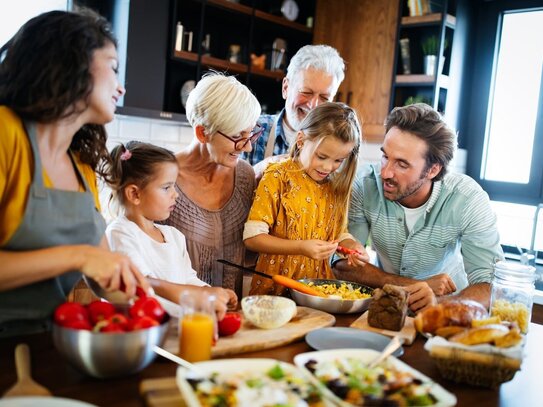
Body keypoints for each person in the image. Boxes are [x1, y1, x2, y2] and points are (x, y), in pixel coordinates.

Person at [0, 9, 150, 337]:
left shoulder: (80, 164)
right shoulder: (4, 131)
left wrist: (163, 297)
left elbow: (104, 279)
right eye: (112, 67)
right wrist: (78, 256)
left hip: (42, 344)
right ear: (72, 62)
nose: (121, 88)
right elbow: (84, 258)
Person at [334, 103, 505, 312]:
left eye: (402, 164)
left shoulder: (468, 200)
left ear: (433, 170)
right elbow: (342, 264)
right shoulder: (364, 185)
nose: (385, 173)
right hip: (386, 307)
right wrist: (408, 287)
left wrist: (438, 303)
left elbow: (493, 286)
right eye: (385, 156)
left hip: (447, 312)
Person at [244, 102, 369, 296]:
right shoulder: (278, 176)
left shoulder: (336, 187)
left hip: (317, 291)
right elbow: (252, 238)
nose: (328, 167)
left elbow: (339, 235)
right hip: (273, 290)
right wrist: (301, 247)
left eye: (338, 161)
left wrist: (352, 247)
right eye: (322, 156)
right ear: (301, 140)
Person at [105, 141, 238, 318]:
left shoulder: (174, 236)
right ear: (134, 194)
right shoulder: (120, 232)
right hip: (139, 330)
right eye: (166, 187)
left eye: (174, 185)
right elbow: (141, 283)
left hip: (173, 329)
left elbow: (187, 279)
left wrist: (211, 292)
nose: (175, 194)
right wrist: (194, 295)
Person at [163, 73, 261, 298]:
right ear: (202, 132)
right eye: (238, 136)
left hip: (232, 319)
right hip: (180, 318)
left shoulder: (245, 176)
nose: (246, 147)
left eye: (251, 134)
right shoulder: (162, 179)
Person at [243, 44, 345, 174]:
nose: (313, 105)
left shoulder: (338, 147)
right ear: (285, 88)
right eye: (306, 92)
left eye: (324, 97)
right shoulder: (252, 131)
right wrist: (257, 171)